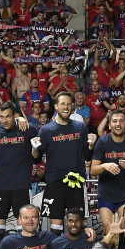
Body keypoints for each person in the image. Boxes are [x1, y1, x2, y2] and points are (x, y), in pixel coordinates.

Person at [34, 91, 93, 233]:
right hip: (55, 183)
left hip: (76, 183)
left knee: (77, 227)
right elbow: (36, 158)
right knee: (56, 228)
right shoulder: (46, 130)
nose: (66, 107)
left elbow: (87, 156)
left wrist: (91, 146)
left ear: (73, 106)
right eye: (62, 104)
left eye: (68, 103)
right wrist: (34, 148)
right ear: (55, 106)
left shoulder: (81, 127)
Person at [91, 110, 125, 232]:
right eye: (114, 121)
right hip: (106, 194)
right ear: (109, 125)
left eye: (121, 121)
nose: (118, 124)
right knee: (109, 230)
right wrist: (104, 166)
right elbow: (93, 171)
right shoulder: (102, 142)